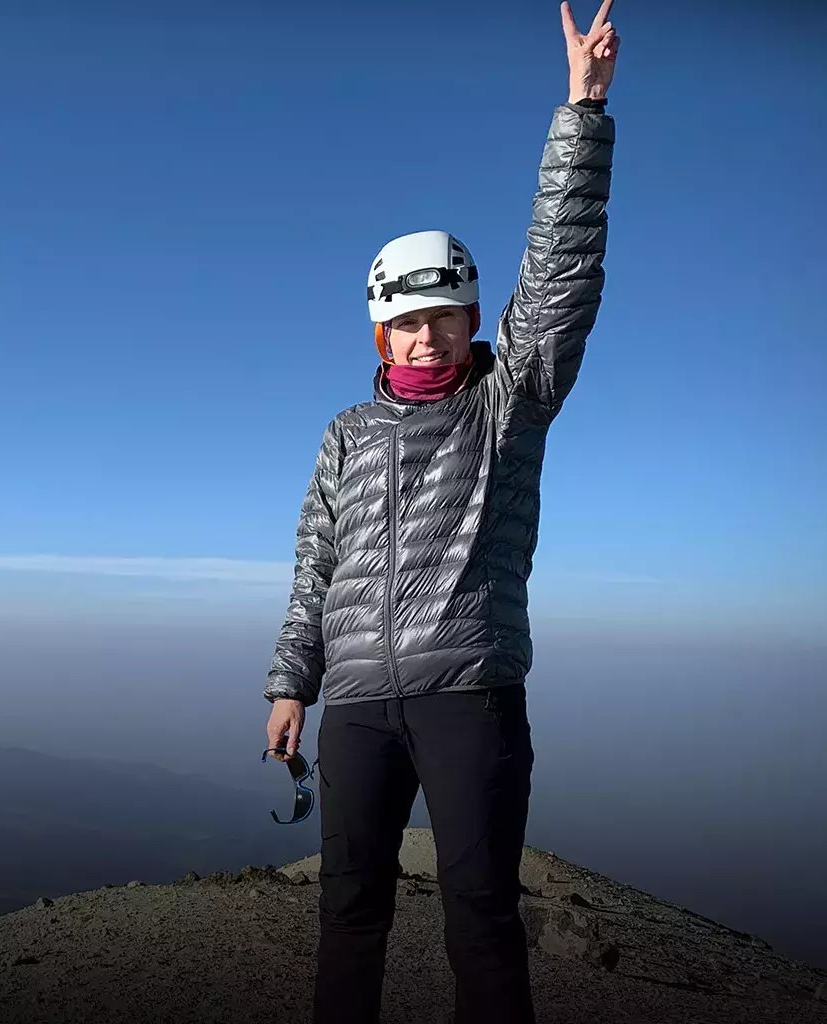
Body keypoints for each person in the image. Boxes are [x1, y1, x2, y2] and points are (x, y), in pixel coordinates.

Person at [262, 4, 619, 1023]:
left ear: (472, 321)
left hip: (470, 694)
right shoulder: (344, 433)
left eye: (445, 318)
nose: (425, 338)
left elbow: (558, 279)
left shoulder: (508, 405)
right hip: (359, 710)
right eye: (406, 321)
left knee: (480, 916)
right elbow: (314, 570)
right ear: (381, 330)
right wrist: (293, 685)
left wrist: (581, 113)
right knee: (348, 915)